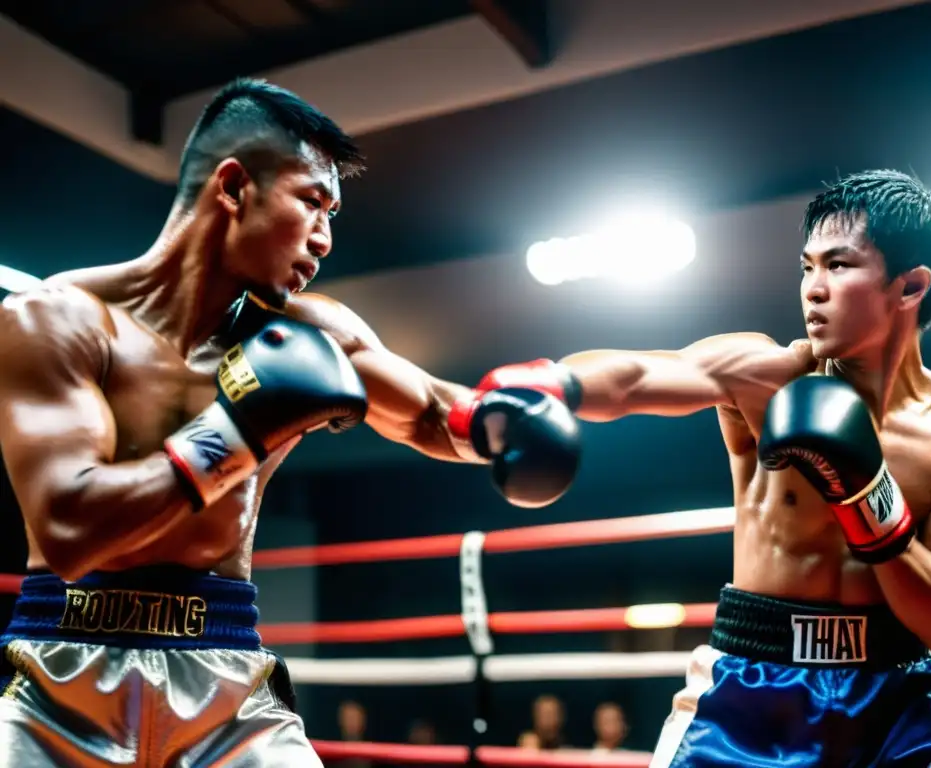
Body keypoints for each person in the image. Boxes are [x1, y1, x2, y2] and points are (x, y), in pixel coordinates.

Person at [0, 78, 580, 767]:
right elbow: (69, 530)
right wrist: (238, 429)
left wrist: (497, 425)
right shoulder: (56, 320)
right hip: (60, 679)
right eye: (313, 202)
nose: (327, 238)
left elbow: (427, 410)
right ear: (234, 186)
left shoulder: (310, 333)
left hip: (225, 684)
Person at [469, 170, 931, 766]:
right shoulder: (765, 375)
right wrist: (549, 383)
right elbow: (639, 376)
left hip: (901, 695)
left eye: (838, 266)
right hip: (755, 694)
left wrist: (868, 497)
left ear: (910, 287)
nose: (812, 288)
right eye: (806, 267)